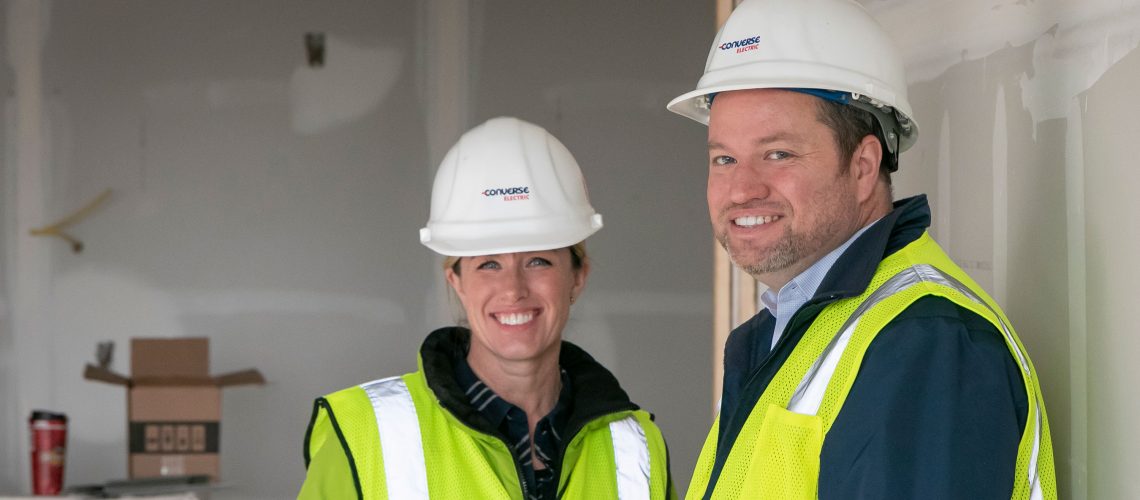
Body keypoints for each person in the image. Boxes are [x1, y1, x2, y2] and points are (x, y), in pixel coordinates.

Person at [665, 0, 1056, 498]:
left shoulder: (925, 344)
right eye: (724, 158)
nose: (741, 189)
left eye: (777, 153)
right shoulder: (794, 330)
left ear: (864, 166)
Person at [298, 117, 674, 500]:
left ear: (577, 276)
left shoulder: (632, 448)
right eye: (488, 264)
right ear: (456, 281)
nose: (513, 289)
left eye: (538, 260)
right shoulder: (366, 433)